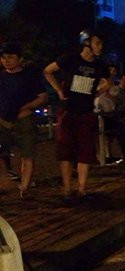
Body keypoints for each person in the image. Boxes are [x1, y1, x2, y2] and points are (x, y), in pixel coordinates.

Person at [43, 29, 110, 202]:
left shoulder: (100, 66)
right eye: (97, 43)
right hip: (68, 111)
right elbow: (48, 71)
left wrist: (97, 92)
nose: (100, 47)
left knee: (85, 152)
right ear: (86, 43)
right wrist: (58, 90)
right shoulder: (70, 59)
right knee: (65, 150)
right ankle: (67, 189)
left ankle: (81, 189)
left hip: (86, 112)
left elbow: (108, 81)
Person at [0, 42, 48, 198]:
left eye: (10, 57)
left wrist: (26, 107)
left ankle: (25, 187)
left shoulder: (29, 76)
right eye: (3, 57)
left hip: (24, 120)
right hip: (2, 120)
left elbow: (43, 97)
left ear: (20, 59)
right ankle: (4, 181)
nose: (6, 60)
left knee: (27, 154)